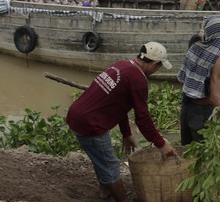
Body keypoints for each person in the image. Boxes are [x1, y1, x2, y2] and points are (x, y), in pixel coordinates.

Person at [66, 41, 177, 202]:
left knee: (101, 158)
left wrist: (126, 133)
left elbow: (120, 105)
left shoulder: (122, 65)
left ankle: (105, 191)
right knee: (111, 167)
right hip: (90, 123)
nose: (157, 70)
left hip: (76, 115)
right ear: (154, 63)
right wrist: (161, 144)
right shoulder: (139, 80)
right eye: (158, 66)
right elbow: (142, 119)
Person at [178, 16, 220, 145]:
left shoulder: (193, 48)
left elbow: (185, 80)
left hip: (186, 108)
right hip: (202, 113)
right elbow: (214, 97)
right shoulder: (217, 61)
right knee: (204, 157)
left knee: (188, 152)